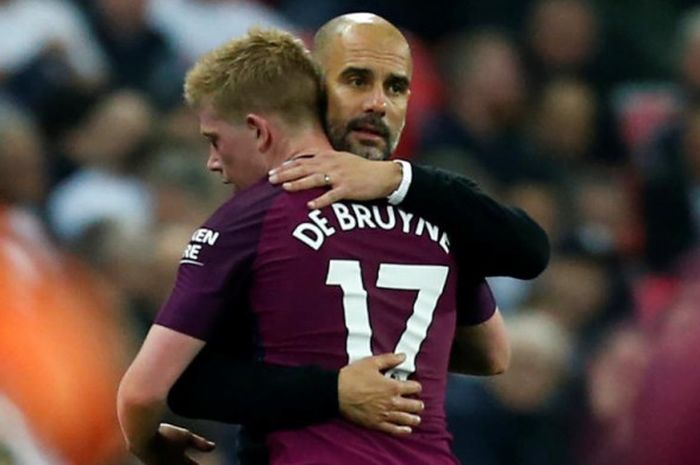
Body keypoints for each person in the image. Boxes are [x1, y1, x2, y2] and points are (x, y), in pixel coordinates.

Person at [166, 13, 549, 463]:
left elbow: (181, 385)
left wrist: (397, 179)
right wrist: (338, 385)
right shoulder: (433, 213)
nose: (378, 104)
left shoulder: (267, 210)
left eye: (396, 88)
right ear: (312, 90)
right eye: (356, 80)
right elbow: (491, 352)